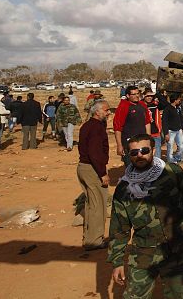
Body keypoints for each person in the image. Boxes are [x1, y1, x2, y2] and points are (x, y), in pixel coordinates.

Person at [108, 134, 183, 298]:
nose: (139, 155)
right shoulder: (124, 188)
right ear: (128, 155)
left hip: (179, 246)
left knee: (182, 294)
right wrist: (117, 261)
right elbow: (119, 227)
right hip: (144, 250)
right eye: (134, 152)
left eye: (144, 150)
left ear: (153, 150)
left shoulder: (172, 172)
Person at [77, 99, 110, 251]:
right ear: (97, 112)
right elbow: (95, 153)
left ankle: (90, 238)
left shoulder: (88, 126)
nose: (109, 113)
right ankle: (95, 241)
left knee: (91, 205)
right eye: (106, 110)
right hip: (93, 169)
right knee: (98, 206)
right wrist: (102, 173)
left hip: (84, 167)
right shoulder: (96, 128)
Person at [113, 85, 152, 164]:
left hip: (142, 142)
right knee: (131, 166)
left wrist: (149, 138)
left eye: (137, 93)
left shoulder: (142, 105)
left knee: (144, 164)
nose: (136, 96)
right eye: (133, 94)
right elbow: (117, 128)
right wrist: (119, 145)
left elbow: (147, 122)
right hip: (129, 143)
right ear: (127, 95)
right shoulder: (123, 106)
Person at [163, 93, 183, 164]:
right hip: (170, 131)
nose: (180, 100)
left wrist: (182, 127)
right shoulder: (167, 109)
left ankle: (177, 158)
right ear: (175, 100)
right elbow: (164, 122)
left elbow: (180, 118)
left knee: (181, 146)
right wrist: (166, 133)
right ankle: (170, 161)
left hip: (179, 131)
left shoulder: (178, 108)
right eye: (179, 99)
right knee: (170, 147)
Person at [143, 91, 163, 158]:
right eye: (147, 96)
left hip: (155, 133)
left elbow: (165, 104)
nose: (149, 98)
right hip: (144, 134)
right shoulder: (140, 106)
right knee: (146, 156)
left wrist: (157, 94)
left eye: (151, 96)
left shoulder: (155, 105)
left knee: (157, 156)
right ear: (144, 96)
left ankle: (157, 168)